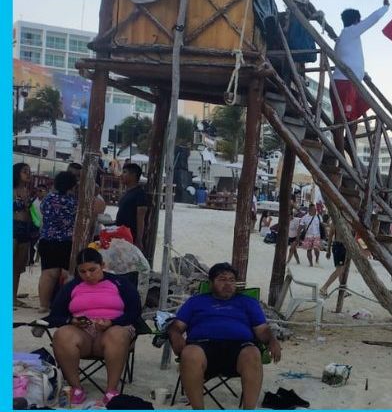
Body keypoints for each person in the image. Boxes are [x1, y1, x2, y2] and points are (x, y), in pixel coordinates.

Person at [167, 262, 282, 410]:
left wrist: (272, 341)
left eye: (231, 280)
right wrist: (175, 336)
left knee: (253, 353)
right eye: (222, 279)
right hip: (202, 347)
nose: (228, 283)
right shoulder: (196, 302)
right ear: (211, 283)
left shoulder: (248, 302)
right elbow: (176, 326)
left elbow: (262, 330)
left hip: (239, 348)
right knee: (189, 353)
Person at [46, 248, 142, 405]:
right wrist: (71, 321)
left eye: (92, 270)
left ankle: (111, 390)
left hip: (112, 331)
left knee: (117, 334)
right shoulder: (71, 287)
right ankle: (76, 388)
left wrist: (113, 322)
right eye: (82, 271)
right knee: (62, 334)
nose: (88, 275)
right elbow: (55, 315)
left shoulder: (119, 283)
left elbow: (135, 311)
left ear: (102, 265)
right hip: (82, 334)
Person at [329, 0, 391, 157]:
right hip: (344, 82)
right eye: (359, 20)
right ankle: (340, 156)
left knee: (353, 119)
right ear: (356, 21)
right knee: (341, 121)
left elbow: (349, 58)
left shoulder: (346, 37)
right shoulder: (350, 32)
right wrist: (385, 7)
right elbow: (372, 20)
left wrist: (362, 74)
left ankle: (349, 146)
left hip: (352, 82)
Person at [38, 171, 80, 311]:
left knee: (48, 274)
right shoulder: (72, 202)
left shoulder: (48, 198)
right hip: (65, 241)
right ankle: (63, 304)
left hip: (47, 239)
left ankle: (43, 305)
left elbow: (43, 212)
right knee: (66, 273)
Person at [13, 163, 37, 308]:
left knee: (18, 266)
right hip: (13, 226)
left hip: (25, 228)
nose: (28, 174)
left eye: (29, 171)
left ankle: (13, 296)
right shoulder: (11, 189)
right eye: (24, 171)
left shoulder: (27, 191)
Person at [115, 163, 148, 253]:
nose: (122, 175)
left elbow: (141, 219)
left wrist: (139, 240)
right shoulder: (127, 192)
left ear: (133, 175)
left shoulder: (139, 194)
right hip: (121, 234)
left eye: (125, 172)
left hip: (131, 236)